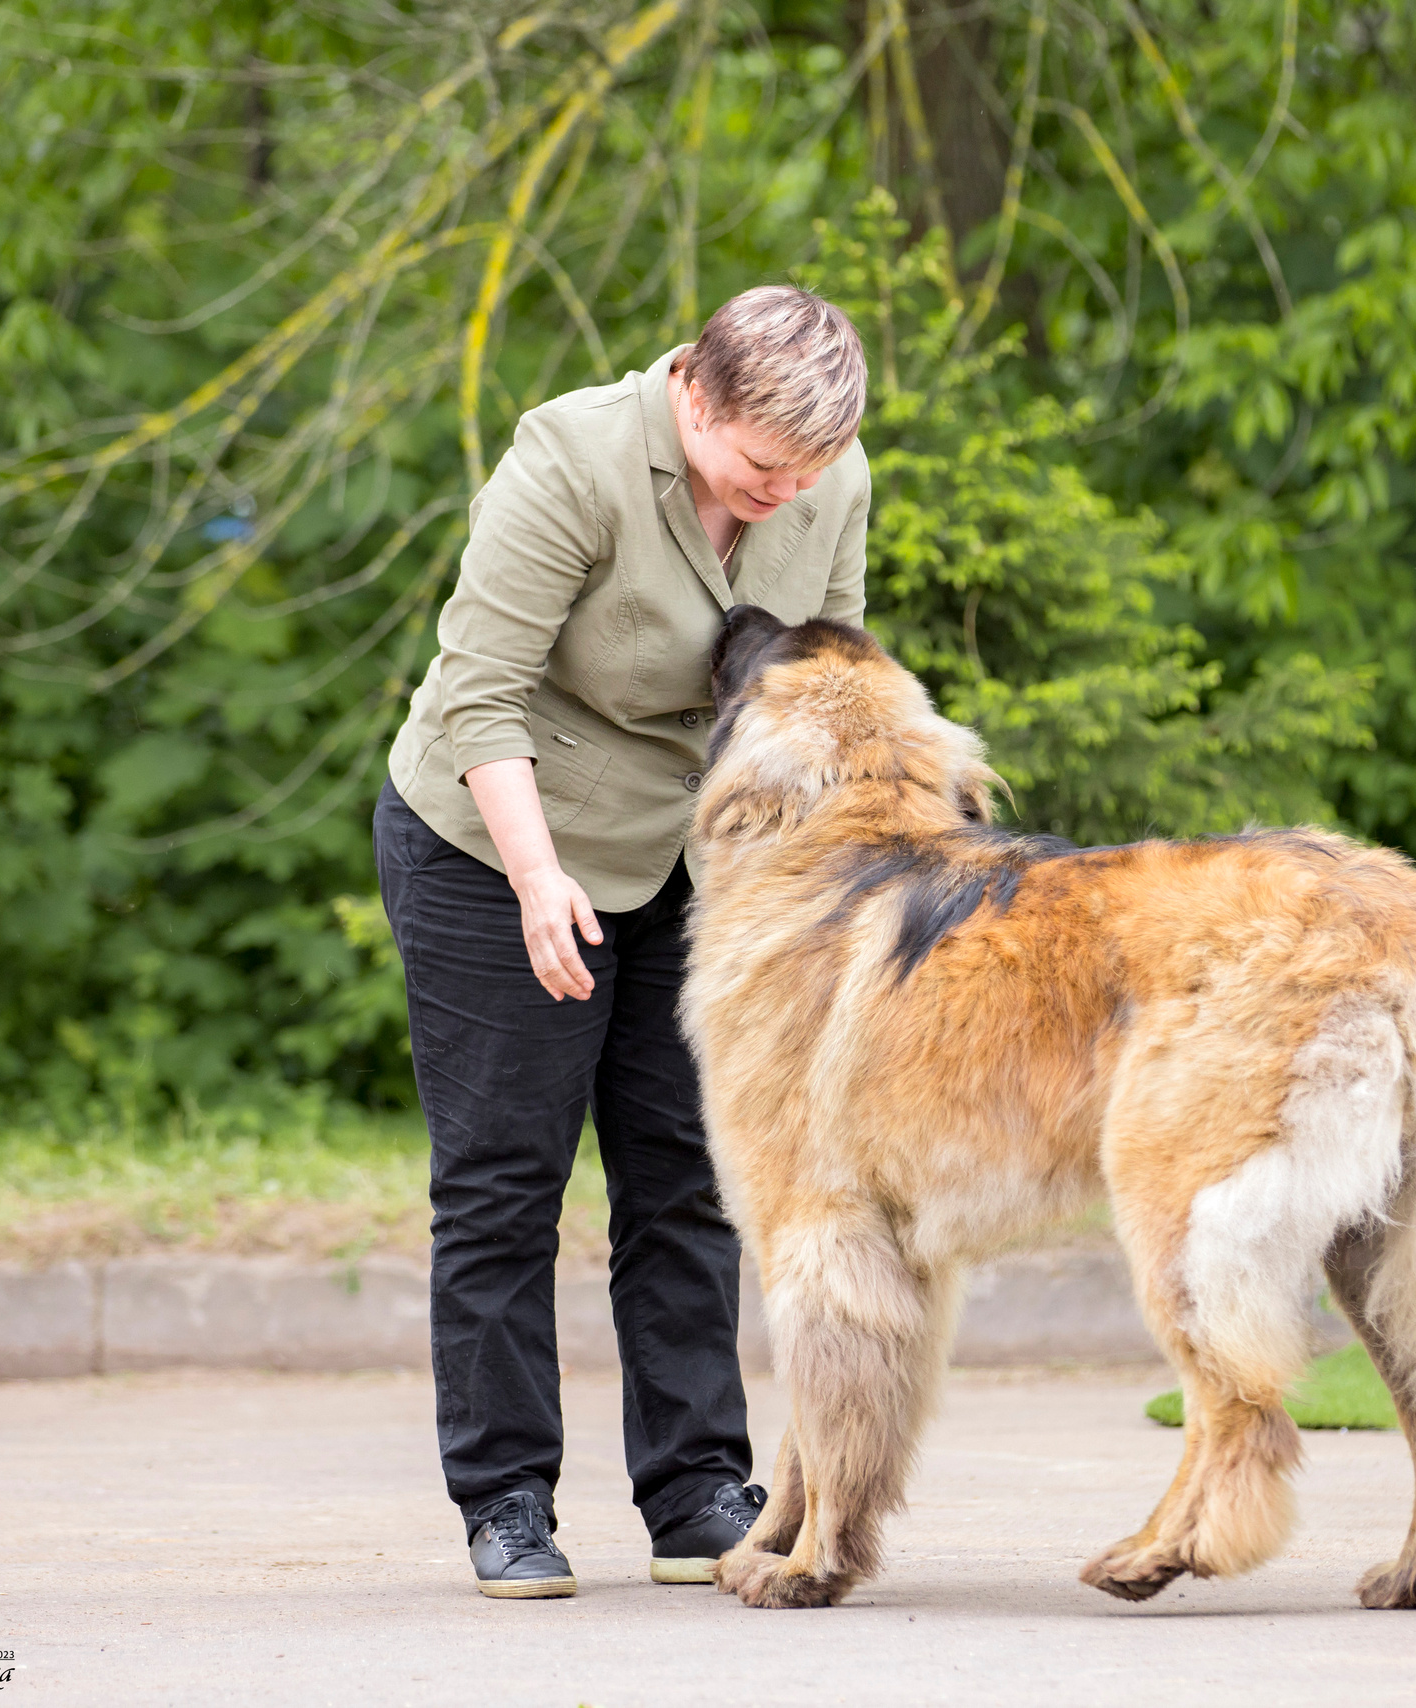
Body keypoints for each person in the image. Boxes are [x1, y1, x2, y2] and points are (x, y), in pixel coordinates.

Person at [373, 286, 869, 1597]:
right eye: (767, 466)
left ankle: (700, 1488)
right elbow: (479, 693)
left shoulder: (827, 474)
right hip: (499, 836)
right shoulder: (573, 458)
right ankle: (506, 1501)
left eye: (812, 470)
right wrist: (538, 881)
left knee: (687, 1173)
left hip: (698, 859)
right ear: (695, 396)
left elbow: (822, 680)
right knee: (503, 1181)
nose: (792, 491)